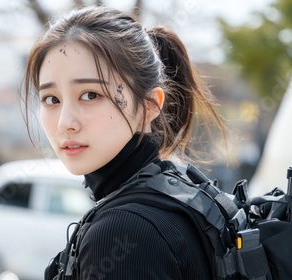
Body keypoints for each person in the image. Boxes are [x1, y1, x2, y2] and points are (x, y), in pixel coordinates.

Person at [21, 5, 226, 279]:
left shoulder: (123, 231)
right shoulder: (180, 196)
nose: (65, 123)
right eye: (51, 99)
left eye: (90, 95)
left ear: (150, 105)